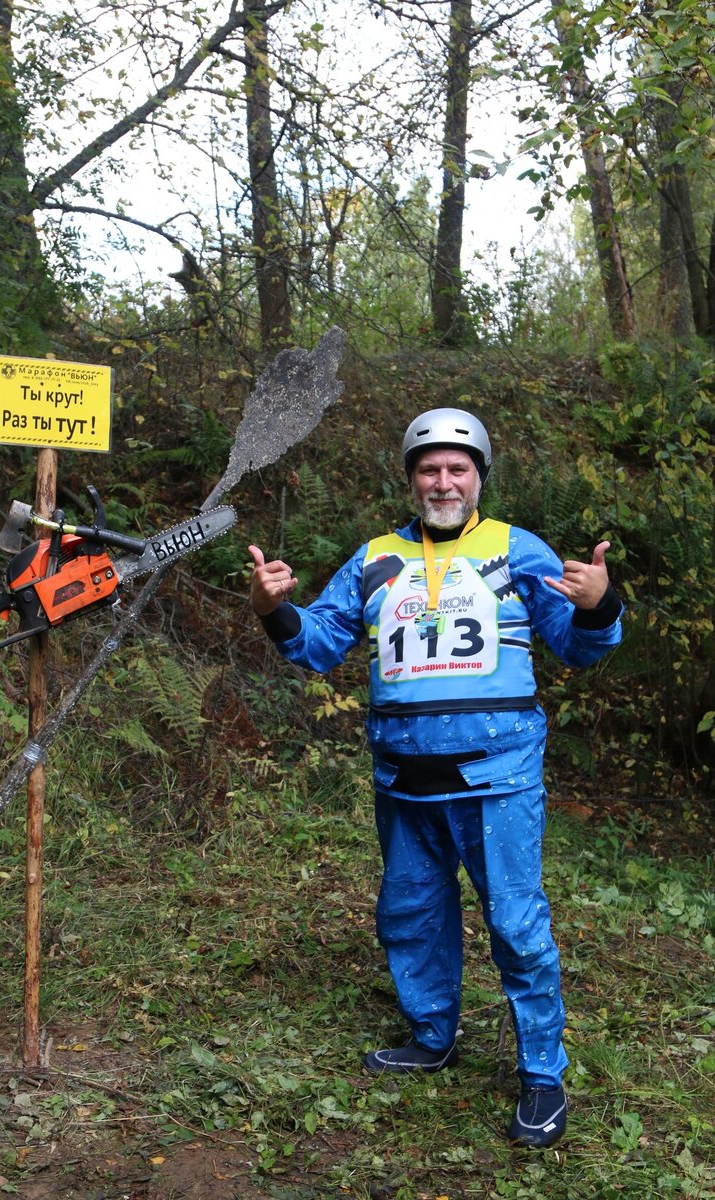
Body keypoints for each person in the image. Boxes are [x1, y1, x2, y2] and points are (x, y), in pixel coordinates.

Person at [247, 408, 623, 1148]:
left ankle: (542, 1076)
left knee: (516, 925)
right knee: (410, 914)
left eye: (457, 467)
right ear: (411, 479)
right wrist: (275, 610)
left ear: (479, 476)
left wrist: (598, 604)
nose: (442, 480)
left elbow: (575, 648)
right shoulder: (374, 559)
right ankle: (432, 1035)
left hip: (497, 777)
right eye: (429, 468)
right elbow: (318, 645)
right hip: (403, 779)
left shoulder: (518, 550)